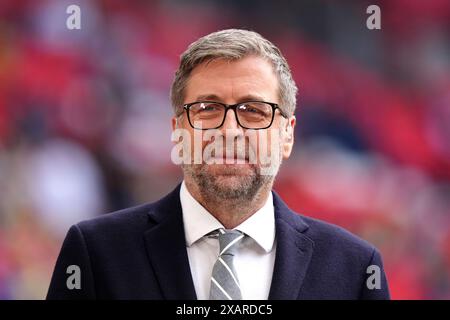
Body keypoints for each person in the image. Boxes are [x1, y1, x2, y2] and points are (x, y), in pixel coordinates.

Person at [47, 29, 390, 300]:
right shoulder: (96, 254)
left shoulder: (354, 269)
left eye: (253, 111)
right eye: (207, 109)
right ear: (178, 130)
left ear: (287, 136)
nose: (229, 130)